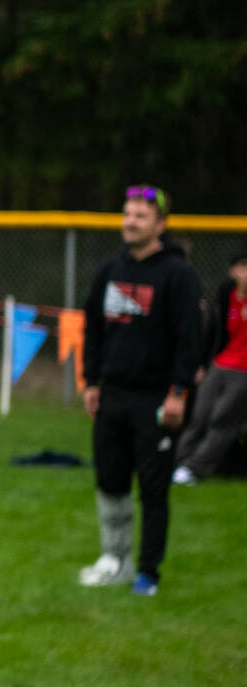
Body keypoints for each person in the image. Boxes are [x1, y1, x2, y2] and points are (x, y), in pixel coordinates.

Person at [77, 184, 202, 596]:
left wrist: (177, 393)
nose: (130, 222)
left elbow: (189, 338)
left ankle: (147, 571)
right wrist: (91, 381)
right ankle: (114, 558)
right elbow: (93, 328)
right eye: (127, 214)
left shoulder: (177, 274)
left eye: (140, 216)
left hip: (155, 398)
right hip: (112, 394)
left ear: (160, 225)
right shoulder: (110, 271)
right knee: (110, 480)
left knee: (152, 488)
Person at [172, 246, 247, 485]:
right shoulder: (227, 294)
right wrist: (202, 364)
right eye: (243, 266)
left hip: (243, 371)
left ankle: (197, 467)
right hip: (220, 363)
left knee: (222, 418)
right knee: (200, 415)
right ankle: (179, 461)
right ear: (233, 271)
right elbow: (213, 332)